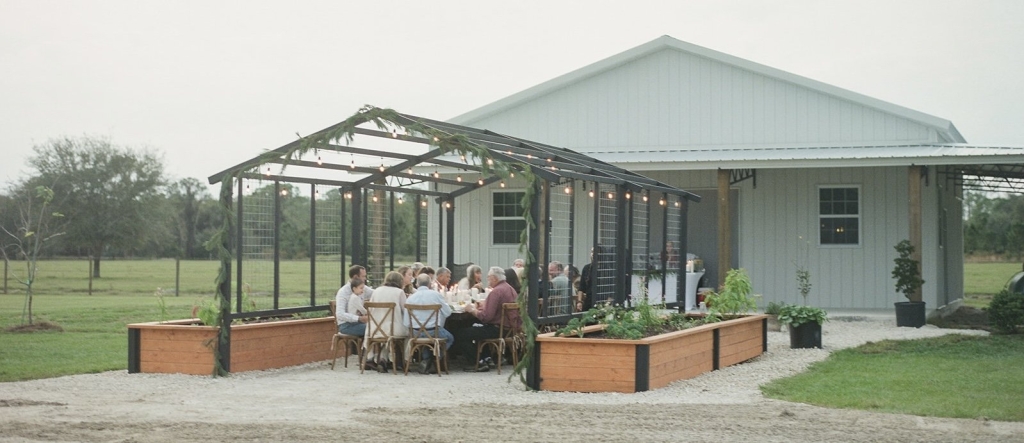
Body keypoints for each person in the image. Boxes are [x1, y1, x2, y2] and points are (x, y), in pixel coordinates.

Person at [455, 266, 521, 372]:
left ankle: (478, 362)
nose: (487, 279)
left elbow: (486, 317)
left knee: (461, 334)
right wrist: (484, 305)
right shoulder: (509, 288)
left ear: (494, 278)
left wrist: (472, 310)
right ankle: (487, 358)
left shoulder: (496, 292)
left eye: (489, 277)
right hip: (509, 329)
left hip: (497, 329)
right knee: (476, 328)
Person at [405, 273, 454, 374]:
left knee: (426, 342)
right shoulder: (436, 295)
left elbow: (406, 322)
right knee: (449, 338)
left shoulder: (410, 298)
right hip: (433, 331)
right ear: (430, 284)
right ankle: (434, 358)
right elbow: (448, 312)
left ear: (417, 285)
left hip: (415, 333)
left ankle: (426, 360)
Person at [366, 271, 409, 372]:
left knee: (386, 337)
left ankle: (383, 359)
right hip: (394, 329)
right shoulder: (399, 292)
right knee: (409, 334)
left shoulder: (376, 291)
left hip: (374, 329)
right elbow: (405, 310)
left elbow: (371, 310)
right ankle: (404, 361)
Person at [335, 278, 376, 371]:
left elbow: (374, 292)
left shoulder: (356, 295)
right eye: (361, 288)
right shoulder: (352, 297)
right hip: (348, 325)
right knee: (372, 329)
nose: (363, 290)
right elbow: (362, 310)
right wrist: (367, 315)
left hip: (355, 323)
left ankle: (368, 357)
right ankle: (368, 358)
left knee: (372, 328)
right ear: (354, 288)